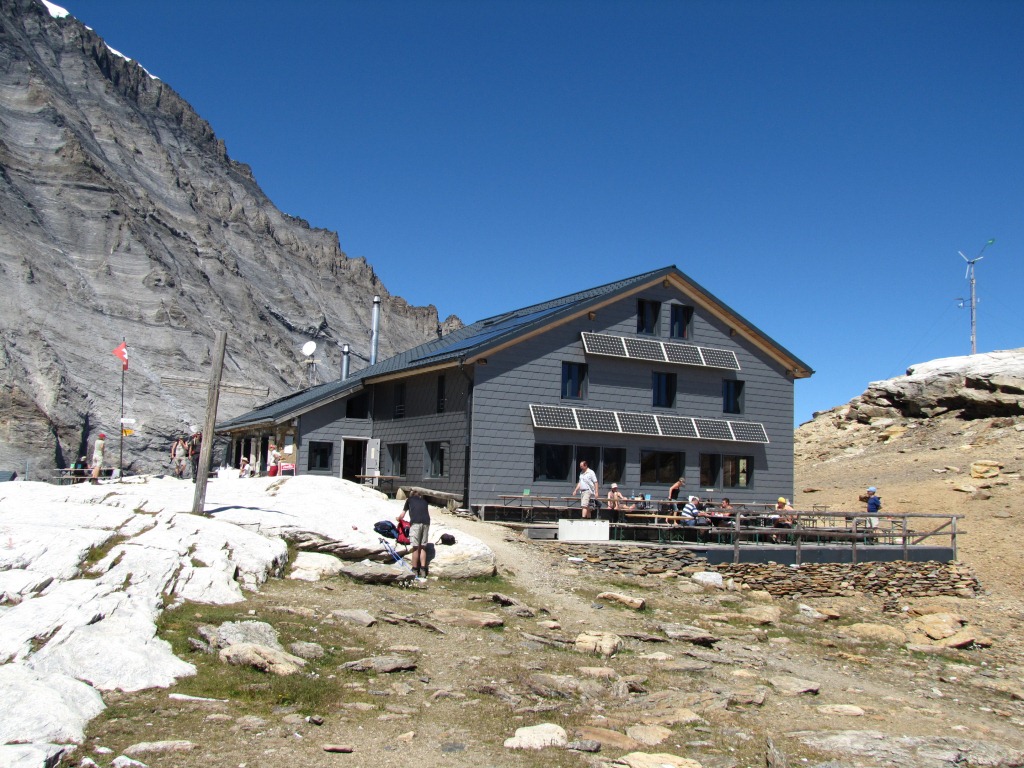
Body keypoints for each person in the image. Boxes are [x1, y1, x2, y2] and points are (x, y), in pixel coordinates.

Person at [397, 489, 431, 580]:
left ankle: (415, 569)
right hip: (426, 523)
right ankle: (423, 570)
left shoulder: (409, 500)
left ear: (411, 495)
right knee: (423, 546)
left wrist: (398, 518)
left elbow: (402, 515)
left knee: (415, 547)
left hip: (416, 523)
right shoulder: (424, 501)